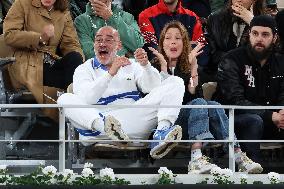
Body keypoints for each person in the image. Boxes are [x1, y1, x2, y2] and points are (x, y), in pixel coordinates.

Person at [150, 21, 262, 173]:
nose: (173, 42)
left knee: (213, 105)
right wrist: (164, 69)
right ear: (162, 43)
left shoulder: (188, 67)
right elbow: (154, 98)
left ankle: (237, 154)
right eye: (168, 38)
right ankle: (196, 158)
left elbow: (193, 95)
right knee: (201, 104)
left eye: (178, 38)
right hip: (164, 123)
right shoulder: (152, 67)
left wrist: (193, 67)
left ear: (184, 44)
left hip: (190, 121)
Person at [57, 26, 185, 159]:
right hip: (99, 125)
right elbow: (86, 99)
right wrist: (110, 73)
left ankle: (161, 133)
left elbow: (151, 88)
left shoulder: (132, 64)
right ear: (94, 45)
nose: (102, 44)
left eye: (108, 40)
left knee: (175, 81)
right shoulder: (83, 69)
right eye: (98, 40)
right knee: (65, 98)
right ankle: (109, 128)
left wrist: (146, 66)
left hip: (133, 120)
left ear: (119, 46)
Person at [216, 15, 284, 163]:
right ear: (249, 35)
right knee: (253, 120)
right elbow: (235, 101)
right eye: (255, 33)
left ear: (275, 38)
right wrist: (270, 115)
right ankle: (251, 173)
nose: (259, 39)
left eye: (265, 34)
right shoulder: (231, 59)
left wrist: (282, 112)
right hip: (234, 121)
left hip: (273, 121)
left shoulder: (281, 62)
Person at [3, 0, 84, 120]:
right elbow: (9, 35)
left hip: (51, 62)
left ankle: (74, 112)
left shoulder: (63, 12)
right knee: (73, 85)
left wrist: (82, 65)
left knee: (75, 58)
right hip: (26, 63)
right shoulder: (22, 4)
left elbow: (71, 44)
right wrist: (39, 38)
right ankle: (74, 117)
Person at [138, 0, 209, 68]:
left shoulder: (192, 16)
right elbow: (152, 50)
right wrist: (188, 46)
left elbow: (201, 49)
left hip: (191, 72)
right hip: (161, 72)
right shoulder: (145, 15)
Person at [206, 0, 265, 81]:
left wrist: (253, 23)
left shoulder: (266, 22)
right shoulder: (215, 19)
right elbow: (212, 54)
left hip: (253, 78)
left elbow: (266, 56)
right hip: (222, 74)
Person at [74, 0, 144, 60]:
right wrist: (125, 53)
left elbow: (138, 45)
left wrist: (111, 18)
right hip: (101, 71)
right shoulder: (81, 21)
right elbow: (89, 53)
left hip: (131, 70)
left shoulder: (126, 16)